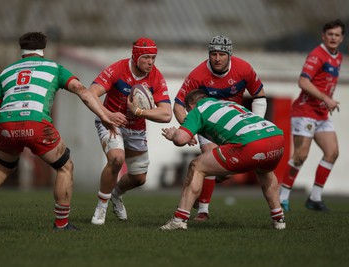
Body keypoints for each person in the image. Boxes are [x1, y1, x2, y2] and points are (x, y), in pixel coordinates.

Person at [0, 32, 126, 231]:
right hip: (36, 125)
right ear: (43, 49)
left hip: (7, 125)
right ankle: (61, 224)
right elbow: (83, 92)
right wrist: (105, 116)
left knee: (3, 166)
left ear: (22, 51)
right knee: (65, 167)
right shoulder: (54, 68)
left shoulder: (6, 72)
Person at [160, 89, 285, 230]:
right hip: (276, 137)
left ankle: (179, 220)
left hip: (250, 144)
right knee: (265, 173)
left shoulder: (198, 110)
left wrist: (173, 135)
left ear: (190, 106)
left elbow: (181, 139)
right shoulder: (227, 104)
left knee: (196, 166)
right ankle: (279, 220)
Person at [173, 35, 268, 221]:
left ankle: (202, 185)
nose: (217, 58)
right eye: (213, 54)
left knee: (226, 170)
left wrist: (256, 123)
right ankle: (203, 210)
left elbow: (259, 96)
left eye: (222, 54)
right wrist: (189, 129)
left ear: (229, 55)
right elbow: (177, 105)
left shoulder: (244, 69)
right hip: (208, 125)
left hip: (235, 125)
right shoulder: (197, 75)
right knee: (209, 155)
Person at [89, 37, 172, 225]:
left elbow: (166, 114)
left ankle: (116, 195)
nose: (151, 62)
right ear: (135, 56)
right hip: (110, 123)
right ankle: (101, 207)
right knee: (116, 159)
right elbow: (90, 93)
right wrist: (108, 115)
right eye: (146, 58)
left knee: (139, 178)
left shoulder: (156, 77)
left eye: (153, 57)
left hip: (136, 128)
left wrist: (140, 112)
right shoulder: (117, 69)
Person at [279, 19, 345, 212]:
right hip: (305, 112)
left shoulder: (338, 57)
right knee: (300, 155)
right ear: (324, 36)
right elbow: (303, 82)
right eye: (330, 34)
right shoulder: (317, 55)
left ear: (342, 38)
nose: (333, 38)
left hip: (321, 114)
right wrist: (326, 97)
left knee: (332, 152)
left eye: (337, 35)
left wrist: (326, 101)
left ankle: (315, 199)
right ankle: (282, 197)